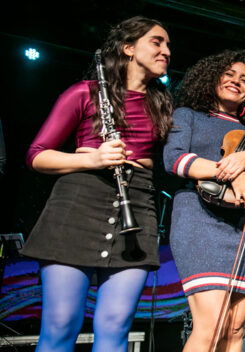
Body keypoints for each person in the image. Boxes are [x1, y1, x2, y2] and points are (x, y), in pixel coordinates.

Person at [21, 16, 173, 352]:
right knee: (61, 325)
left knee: (115, 327)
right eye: (157, 42)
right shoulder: (84, 93)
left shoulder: (162, 103)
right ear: (128, 47)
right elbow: (36, 155)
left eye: (168, 45)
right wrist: (90, 159)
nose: (166, 51)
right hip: (77, 205)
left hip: (136, 208)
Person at [163, 50, 245, 352]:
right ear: (212, 76)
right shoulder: (187, 115)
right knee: (211, 325)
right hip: (200, 220)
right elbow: (173, 160)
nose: (236, 82)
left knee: (235, 329)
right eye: (229, 74)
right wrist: (230, 172)